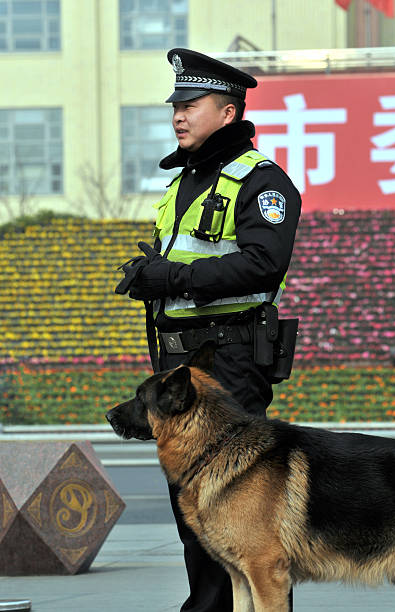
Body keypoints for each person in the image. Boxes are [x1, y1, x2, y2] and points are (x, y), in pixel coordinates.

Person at [118, 48, 301, 612]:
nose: (178, 114)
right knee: (192, 502)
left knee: (236, 504)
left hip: (230, 360)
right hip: (182, 366)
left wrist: (171, 274)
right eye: (175, 104)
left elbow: (262, 263)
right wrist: (148, 276)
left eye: (191, 104)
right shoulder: (184, 182)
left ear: (227, 113)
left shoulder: (261, 180)